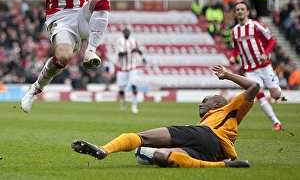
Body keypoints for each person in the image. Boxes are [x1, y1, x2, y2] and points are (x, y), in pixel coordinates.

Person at [71, 64, 260, 168]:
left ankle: (104, 150)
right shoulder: (209, 121)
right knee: (161, 156)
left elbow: (254, 87)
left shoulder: (229, 110)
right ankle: (224, 166)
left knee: (143, 138)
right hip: (213, 154)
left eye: (206, 100)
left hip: (207, 136)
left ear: (218, 103)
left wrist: (227, 75)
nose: (201, 103)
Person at [21, 0, 110, 113]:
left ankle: (90, 51)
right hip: (59, 16)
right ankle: (36, 88)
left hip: (81, 11)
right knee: (64, 57)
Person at [229, 1, 285, 131]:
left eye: (242, 9)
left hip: (264, 66)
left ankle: (276, 86)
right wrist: (233, 56)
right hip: (249, 70)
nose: (240, 11)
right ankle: (276, 122)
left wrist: (265, 53)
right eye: (237, 9)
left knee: (276, 95)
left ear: (247, 11)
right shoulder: (235, 31)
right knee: (259, 95)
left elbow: (271, 40)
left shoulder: (256, 25)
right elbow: (236, 48)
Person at [115, 27, 146, 113]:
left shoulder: (135, 41)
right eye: (125, 31)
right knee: (121, 89)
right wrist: (132, 50)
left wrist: (143, 58)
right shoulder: (119, 41)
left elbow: (140, 50)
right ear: (123, 32)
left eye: (128, 31)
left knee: (134, 86)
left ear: (130, 32)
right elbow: (120, 53)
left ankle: (134, 105)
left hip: (133, 68)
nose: (126, 33)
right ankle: (124, 101)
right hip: (122, 69)